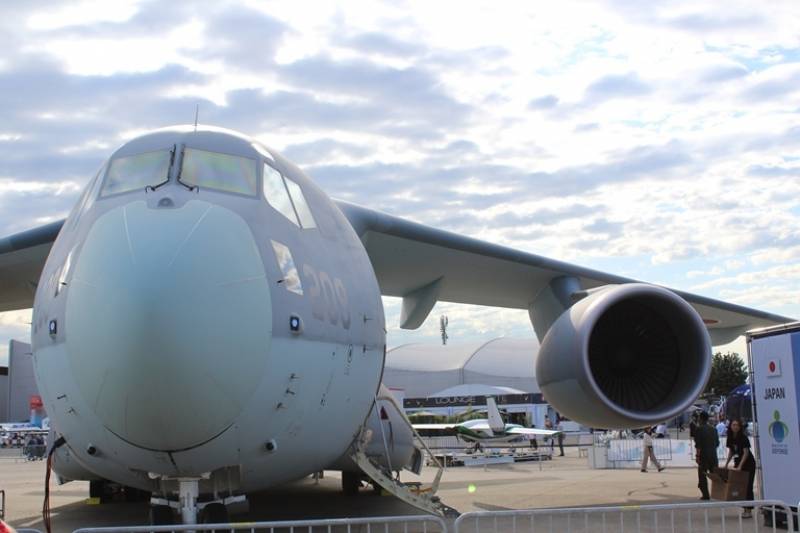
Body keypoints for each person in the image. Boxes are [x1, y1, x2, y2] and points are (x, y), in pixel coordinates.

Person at [724, 418, 756, 518]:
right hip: (738, 463)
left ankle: (749, 510)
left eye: (737, 425)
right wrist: (726, 464)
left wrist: (740, 466)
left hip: (748, 464)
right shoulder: (730, 438)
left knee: (748, 486)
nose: (735, 427)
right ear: (730, 426)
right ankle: (745, 508)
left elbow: (746, 453)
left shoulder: (743, 438)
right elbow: (731, 452)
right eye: (733, 425)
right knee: (740, 487)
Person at [694, 411, 719, 500]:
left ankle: (706, 495)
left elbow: (698, 445)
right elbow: (717, 443)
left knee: (702, 475)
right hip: (713, 455)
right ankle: (719, 493)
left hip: (703, 456)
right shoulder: (714, 429)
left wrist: (697, 456)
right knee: (716, 475)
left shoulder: (699, 429)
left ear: (700, 418)